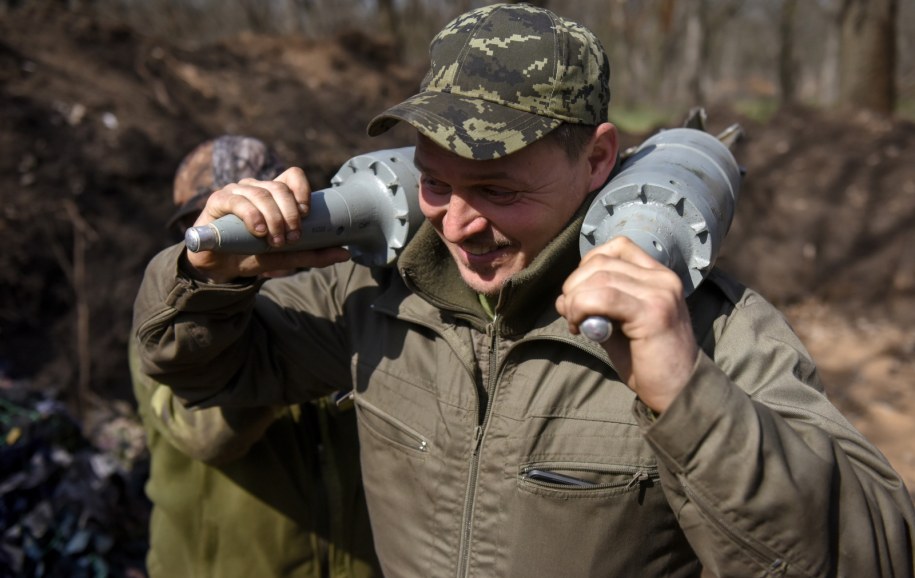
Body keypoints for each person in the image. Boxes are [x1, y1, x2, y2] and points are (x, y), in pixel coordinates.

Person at [133, 5, 915, 577]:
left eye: (499, 191)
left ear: (598, 159)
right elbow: (194, 372)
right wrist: (204, 280)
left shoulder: (705, 332)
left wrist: (686, 399)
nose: (459, 226)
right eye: (435, 185)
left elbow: (875, 554)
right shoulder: (378, 298)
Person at [129, 135, 380, 578]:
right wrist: (221, 300)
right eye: (224, 227)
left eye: (264, 222)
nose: (244, 243)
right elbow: (207, 434)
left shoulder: (335, 304)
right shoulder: (170, 328)